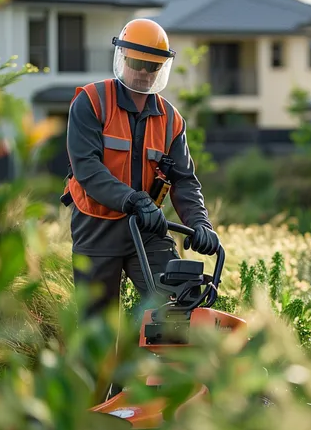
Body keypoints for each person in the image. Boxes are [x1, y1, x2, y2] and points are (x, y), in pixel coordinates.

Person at [60, 18, 219, 322]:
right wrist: (134, 199)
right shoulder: (91, 102)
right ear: (123, 58)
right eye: (137, 63)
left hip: (147, 229)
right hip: (97, 226)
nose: (144, 73)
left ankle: (151, 362)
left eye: (153, 67)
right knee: (98, 327)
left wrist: (201, 224)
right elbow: (87, 169)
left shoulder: (171, 120)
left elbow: (185, 181)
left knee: (179, 300)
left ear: (162, 69)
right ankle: (104, 367)